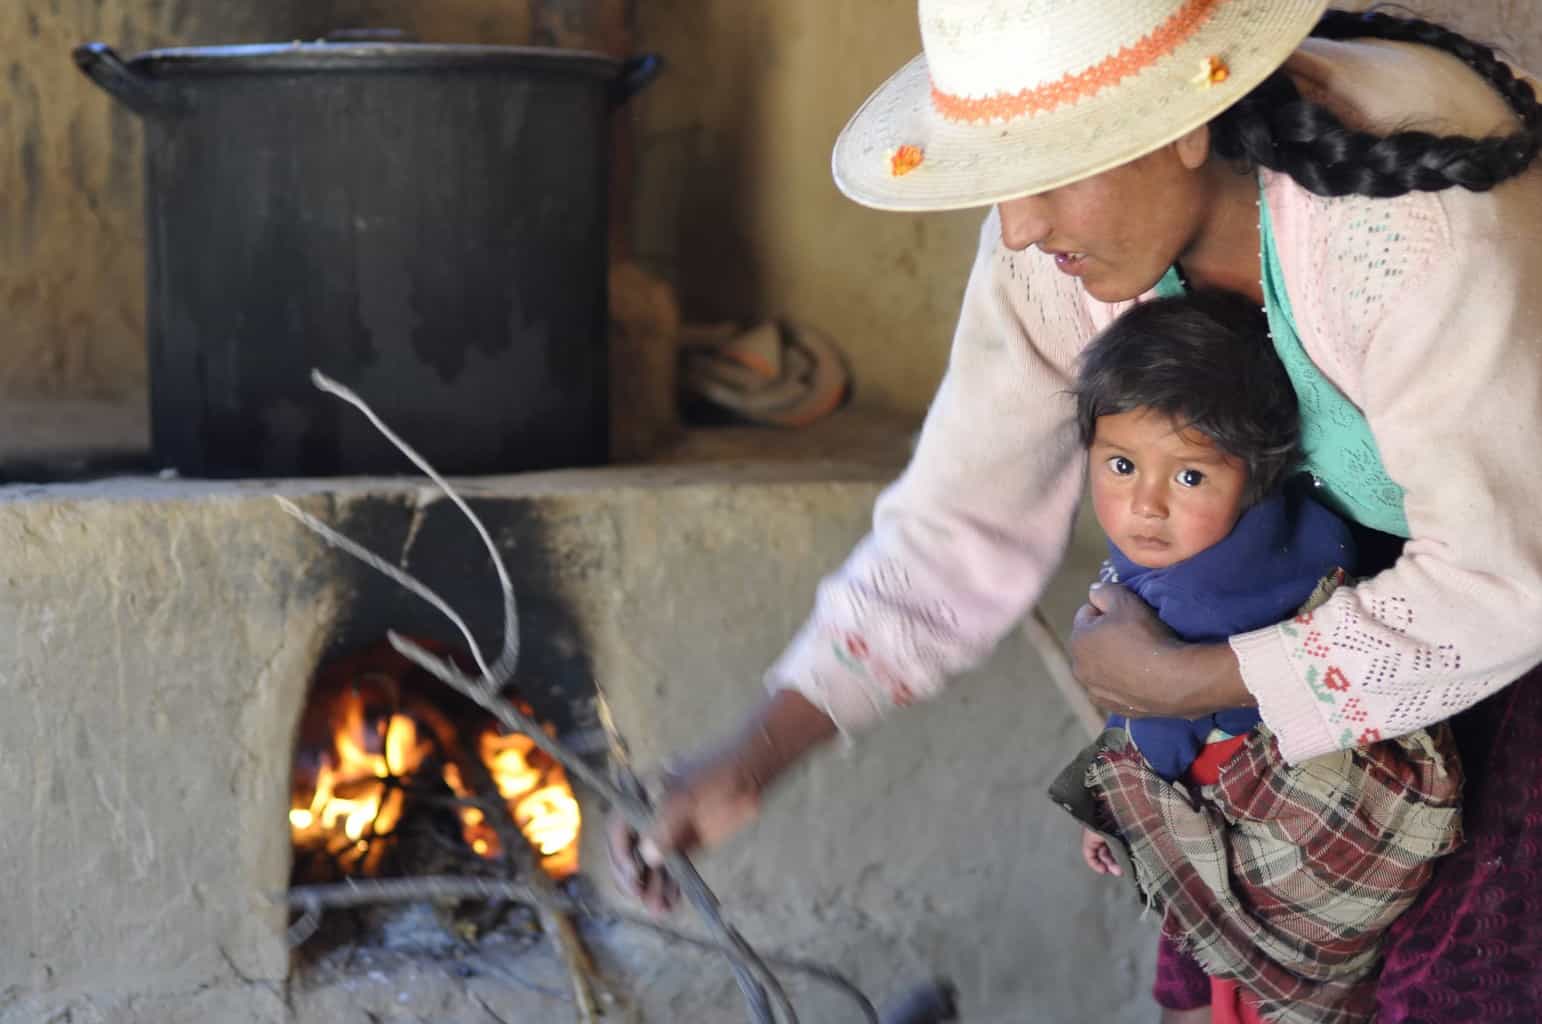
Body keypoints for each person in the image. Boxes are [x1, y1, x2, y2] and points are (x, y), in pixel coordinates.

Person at [609, 3, 1542, 1019]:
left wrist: (1193, 680)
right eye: (1000, 181)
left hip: (1509, 620)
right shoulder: (1061, 260)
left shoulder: (1408, 227)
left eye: (1052, 174)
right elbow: (958, 523)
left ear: (1190, 119)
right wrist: (753, 753)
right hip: (1343, 621)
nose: (1019, 228)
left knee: (1461, 986)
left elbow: (1506, 576)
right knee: (1219, 976)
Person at [1057, 289, 1461, 1024]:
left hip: (1261, 827)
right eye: (1120, 466)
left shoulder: (1188, 599)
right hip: (1345, 833)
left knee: (1240, 990)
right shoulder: (1307, 528)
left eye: (1188, 477)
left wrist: (1105, 810)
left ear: (1256, 470)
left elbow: (1156, 734)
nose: (1146, 506)